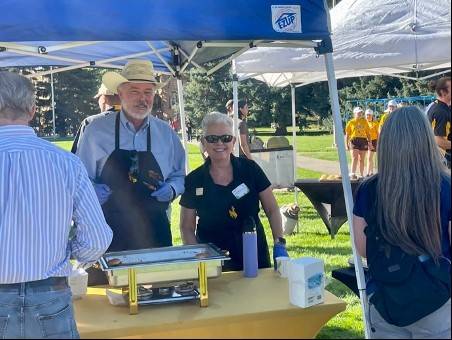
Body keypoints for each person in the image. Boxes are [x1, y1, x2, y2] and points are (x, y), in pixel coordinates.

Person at [0, 71, 113, 339]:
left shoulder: (68, 163)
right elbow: (97, 239)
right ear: (32, 110)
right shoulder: (66, 163)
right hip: (50, 293)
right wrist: (71, 254)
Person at [353, 106, 451, 339]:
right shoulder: (445, 187)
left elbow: (363, 249)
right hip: (437, 298)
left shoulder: (369, 189)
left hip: (387, 297)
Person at [76, 59, 185, 253]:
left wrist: (172, 189)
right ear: (120, 93)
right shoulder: (96, 131)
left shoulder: (165, 133)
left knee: (158, 281)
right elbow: (78, 179)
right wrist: (92, 190)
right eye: (134, 91)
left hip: (155, 231)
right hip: (107, 232)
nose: (142, 99)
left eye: (147, 92)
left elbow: (179, 175)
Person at [179, 112, 288, 271]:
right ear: (203, 142)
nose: (219, 143)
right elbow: (186, 227)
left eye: (226, 138)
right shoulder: (194, 180)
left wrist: (279, 244)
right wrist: (198, 254)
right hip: (213, 260)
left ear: (234, 141)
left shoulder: (250, 169)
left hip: (254, 253)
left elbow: (272, 210)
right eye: (212, 138)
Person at [71, 83, 121, 153]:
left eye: (98, 98)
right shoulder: (136, 121)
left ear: (103, 99)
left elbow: (78, 157)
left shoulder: (90, 122)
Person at [427, 77, 451, 168]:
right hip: (444, 160)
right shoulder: (440, 111)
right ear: (443, 92)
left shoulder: (440, 106)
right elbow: (438, 140)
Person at [345, 106, 373, 178]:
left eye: (361, 112)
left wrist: (370, 143)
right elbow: (347, 134)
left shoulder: (365, 121)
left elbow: (368, 134)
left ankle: (361, 175)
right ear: (354, 113)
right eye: (358, 113)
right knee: (355, 158)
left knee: (362, 159)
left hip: (363, 140)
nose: (360, 114)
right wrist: (346, 144)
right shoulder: (351, 122)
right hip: (354, 140)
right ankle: (352, 173)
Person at [365, 108, 379, 176]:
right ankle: (371, 172)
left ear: (372, 115)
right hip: (365, 140)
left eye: (369, 115)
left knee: (369, 157)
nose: (368, 116)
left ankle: (368, 173)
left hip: (373, 140)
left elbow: (378, 133)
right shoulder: (364, 122)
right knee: (369, 157)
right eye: (367, 115)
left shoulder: (375, 123)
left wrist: (379, 141)